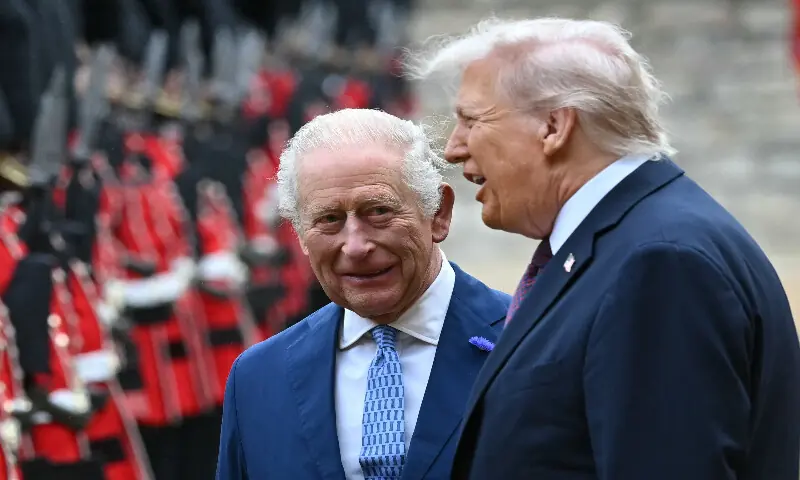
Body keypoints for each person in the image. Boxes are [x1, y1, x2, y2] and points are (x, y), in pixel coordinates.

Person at [406, 16, 800, 480]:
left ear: (554, 126)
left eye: (471, 120)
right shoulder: (627, 242)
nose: (453, 149)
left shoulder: (659, 263)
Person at [215, 108, 511, 479]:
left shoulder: (529, 344)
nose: (354, 246)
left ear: (438, 213)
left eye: (379, 211)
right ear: (300, 235)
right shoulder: (259, 379)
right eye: (329, 219)